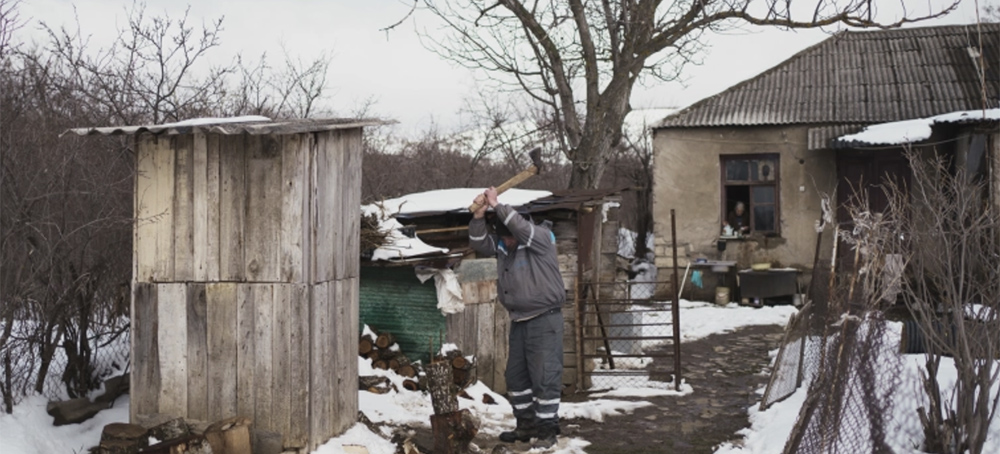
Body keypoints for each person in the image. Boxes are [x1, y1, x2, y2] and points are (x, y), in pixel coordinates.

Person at [469, 187, 565, 449]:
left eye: (509, 237)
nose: (507, 242)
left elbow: (520, 229)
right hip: (520, 320)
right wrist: (479, 217)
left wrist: (497, 204)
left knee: (545, 375)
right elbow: (478, 243)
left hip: (545, 318)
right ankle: (526, 425)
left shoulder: (540, 237)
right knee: (516, 377)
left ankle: (547, 430)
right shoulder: (504, 246)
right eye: (503, 237)